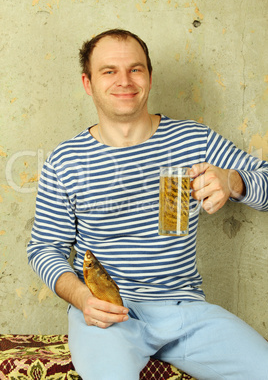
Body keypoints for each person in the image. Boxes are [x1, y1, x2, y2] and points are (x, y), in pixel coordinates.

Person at [27, 28, 268, 380]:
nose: (124, 80)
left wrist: (234, 181)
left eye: (135, 69)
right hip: (107, 316)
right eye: (109, 71)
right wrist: (81, 297)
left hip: (185, 310)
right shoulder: (65, 161)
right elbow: (44, 247)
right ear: (88, 83)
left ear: (150, 78)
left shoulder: (193, 140)